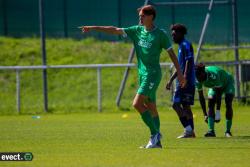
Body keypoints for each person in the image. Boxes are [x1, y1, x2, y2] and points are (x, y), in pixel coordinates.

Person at [80, 5, 186, 148]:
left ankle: (155, 134)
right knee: (151, 106)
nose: (140, 18)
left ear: (151, 17)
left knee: (136, 103)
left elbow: (172, 54)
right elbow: (114, 30)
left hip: (153, 74)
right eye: (140, 16)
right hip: (142, 74)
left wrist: (180, 73)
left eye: (142, 15)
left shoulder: (160, 34)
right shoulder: (137, 30)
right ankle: (157, 142)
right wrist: (93, 28)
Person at [166, 24, 196, 138]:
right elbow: (179, 66)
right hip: (184, 81)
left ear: (180, 33)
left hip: (185, 82)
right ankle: (191, 132)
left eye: (174, 34)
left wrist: (184, 78)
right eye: (172, 35)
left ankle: (188, 130)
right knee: (186, 106)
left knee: (175, 105)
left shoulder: (186, 45)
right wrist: (171, 80)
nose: (172, 37)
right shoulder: (180, 46)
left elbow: (189, 62)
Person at [195, 63, 235, 137]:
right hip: (215, 86)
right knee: (211, 102)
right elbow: (201, 97)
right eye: (196, 76)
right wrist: (205, 114)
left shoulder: (213, 75)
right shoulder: (197, 79)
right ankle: (211, 131)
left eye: (199, 75)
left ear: (203, 72)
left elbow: (218, 94)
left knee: (228, 102)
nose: (198, 78)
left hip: (227, 83)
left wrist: (218, 112)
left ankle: (228, 131)